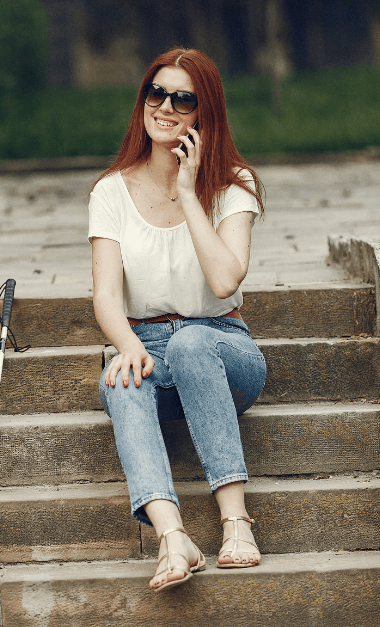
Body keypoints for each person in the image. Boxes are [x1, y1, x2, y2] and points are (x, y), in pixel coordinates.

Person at [88, 48, 267, 592]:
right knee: (120, 378)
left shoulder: (234, 185)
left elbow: (224, 281)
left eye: (183, 99)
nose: (164, 107)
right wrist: (128, 345)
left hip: (223, 347)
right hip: (148, 343)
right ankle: (172, 536)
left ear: (204, 113)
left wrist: (189, 192)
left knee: (191, 343)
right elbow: (105, 296)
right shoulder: (111, 191)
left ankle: (236, 522)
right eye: (156, 93)